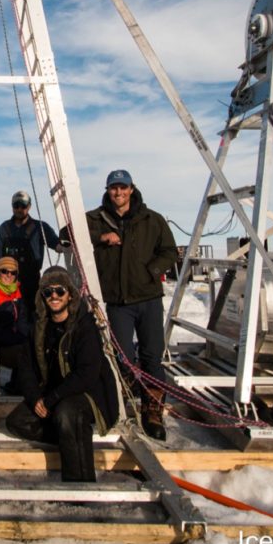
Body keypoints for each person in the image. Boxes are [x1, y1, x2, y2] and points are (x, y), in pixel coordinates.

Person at [84, 169, 179, 441]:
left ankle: (152, 412)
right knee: (122, 357)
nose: (119, 193)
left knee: (151, 356)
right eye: (114, 188)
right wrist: (100, 238)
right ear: (108, 190)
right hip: (117, 302)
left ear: (131, 189)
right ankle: (122, 405)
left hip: (148, 299)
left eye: (123, 188)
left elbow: (170, 251)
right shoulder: (95, 219)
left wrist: (152, 271)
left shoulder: (152, 220)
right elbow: (68, 234)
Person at [6, 266, 119, 482]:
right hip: (54, 393)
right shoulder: (39, 327)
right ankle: (71, 437)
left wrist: (50, 401)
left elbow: (87, 374)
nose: (54, 296)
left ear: (70, 294)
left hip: (89, 394)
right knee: (17, 421)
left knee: (67, 413)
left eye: (59, 290)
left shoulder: (84, 326)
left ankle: (79, 486)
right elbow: (26, 366)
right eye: (48, 292)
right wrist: (35, 398)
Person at [0, 190, 64, 324]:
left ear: (29, 207)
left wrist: (69, 242)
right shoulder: (4, 227)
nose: (19, 209)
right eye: (16, 206)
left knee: (32, 319)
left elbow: (58, 246)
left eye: (23, 206)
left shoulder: (40, 227)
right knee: (8, 319)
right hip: (8, 281)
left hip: (31, 282)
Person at [0, 256, 30, 393]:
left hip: (16, 339)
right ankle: (18, 386)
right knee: (26, 352)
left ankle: (20, 384)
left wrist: (22, 335)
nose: (9, 275)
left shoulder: (17, 290)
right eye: (5, 271)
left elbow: (23, 318)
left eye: (13, 272)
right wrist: (16, 337)